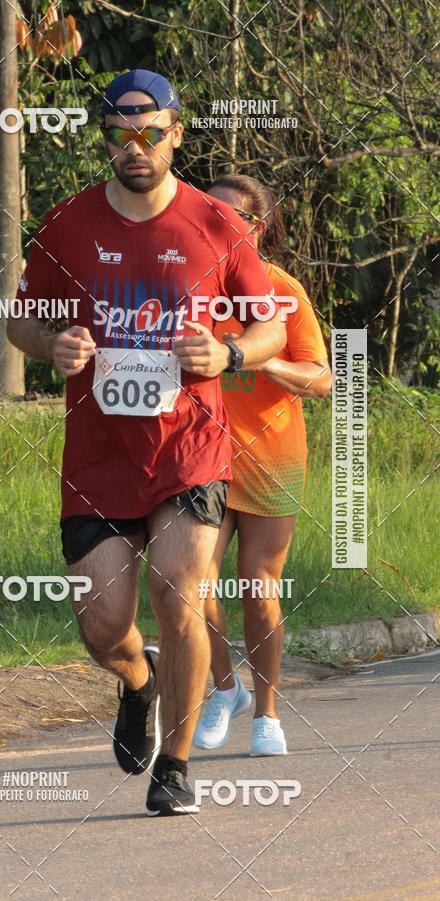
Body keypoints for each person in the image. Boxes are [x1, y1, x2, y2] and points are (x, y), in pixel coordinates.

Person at [7, 71, 286, 816]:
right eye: (119, 133)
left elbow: (272, 328)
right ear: (105, 137)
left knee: (179, 591)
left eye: (150, 130)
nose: (136, 146)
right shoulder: (68, 224)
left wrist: (228, 356)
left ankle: (177, 763)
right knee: (102, 626)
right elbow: (19, 320)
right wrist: (52, 343)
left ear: (176, 131)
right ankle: (137, 681)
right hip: (98, 459)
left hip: (189, 449)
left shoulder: (217, 226)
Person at [193, 174, 331, 756]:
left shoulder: (281, 291)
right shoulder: (190, 285)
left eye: (232, 218)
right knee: (190, 583)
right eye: (209, 214)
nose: (218, 225)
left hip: (272, 457)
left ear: (258, 227)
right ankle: (225, 689)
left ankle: (267, 715)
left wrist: (257, 357)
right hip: (201, 454)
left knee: (258, 586)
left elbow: (322, 378)